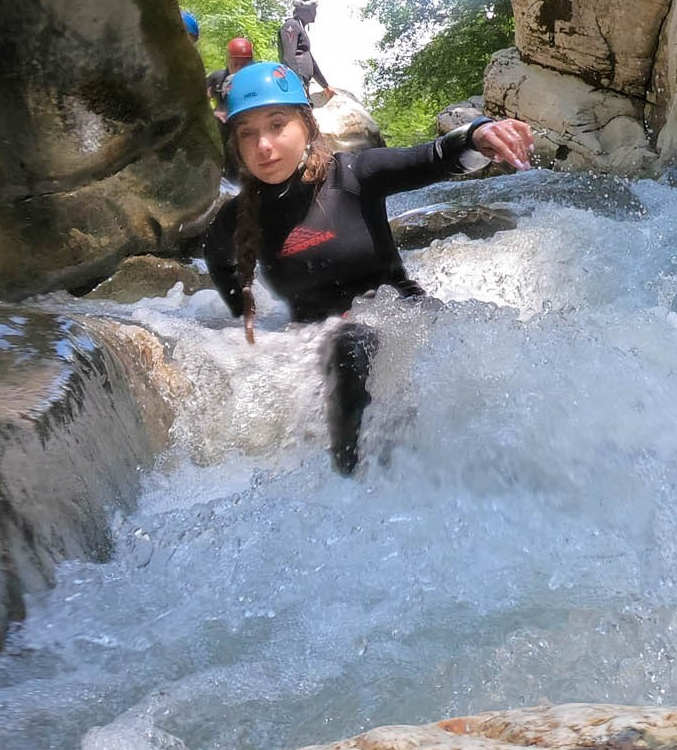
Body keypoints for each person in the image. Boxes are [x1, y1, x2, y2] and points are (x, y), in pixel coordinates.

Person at [205, 61, 535, 475]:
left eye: (276, 125)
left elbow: (433, 158)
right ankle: (354, 483)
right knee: (347, 344)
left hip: (407, 320)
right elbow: (217, 262)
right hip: (318, 345)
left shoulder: (354, 175)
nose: (264, 145)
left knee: (353, 343)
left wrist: (477, 135)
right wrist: (243, 317)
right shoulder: (234, 220)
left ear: (306, 125)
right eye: (247, 133)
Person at [276, 0, 330, 101]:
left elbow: (312, 62)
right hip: (296, 85)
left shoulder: (300, 28)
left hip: (303, 83)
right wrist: (297, 84)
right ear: (305, 11)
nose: (315, 13)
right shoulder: (291, 25)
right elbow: (288, 57)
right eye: (313, 10)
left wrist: (325, 85)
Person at [206, 35, 255, 117]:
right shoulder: (217, 79)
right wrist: (212, 115)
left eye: (244, 65)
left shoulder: (257, 81)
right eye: (235, 64)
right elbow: (199, 102)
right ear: (228, 62)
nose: (239, 68)